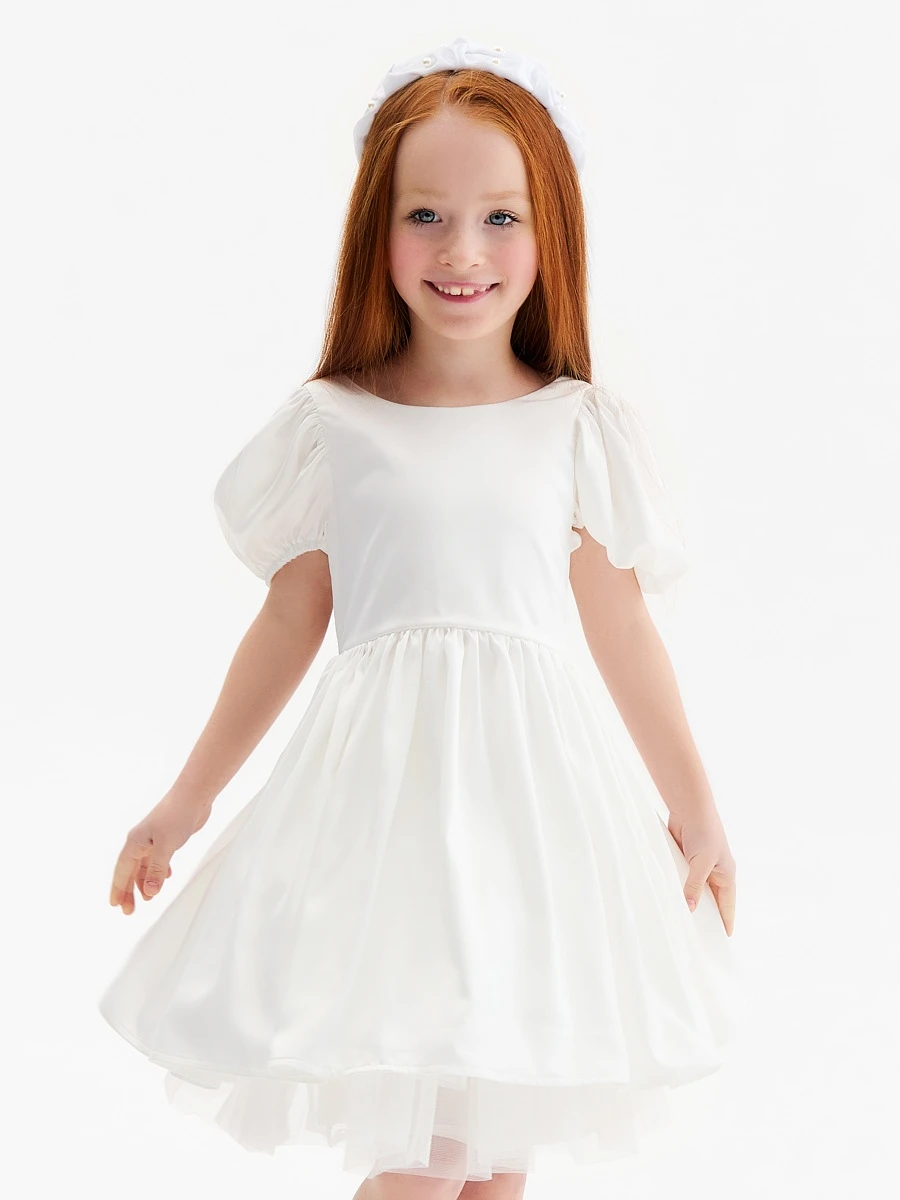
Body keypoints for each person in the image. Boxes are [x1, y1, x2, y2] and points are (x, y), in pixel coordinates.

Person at [99, 36, 741, 1200]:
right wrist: (186, 801)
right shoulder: (337, 422)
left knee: (495, 1156)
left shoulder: (573, 424)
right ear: (376, 232)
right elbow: (290, 620)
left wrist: (694, 808)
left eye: (500, 219)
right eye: (426, 216)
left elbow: (623, 628)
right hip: (387, 814)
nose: (461, 251)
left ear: (550, 233)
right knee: (431, 1152)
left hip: (531, 816)